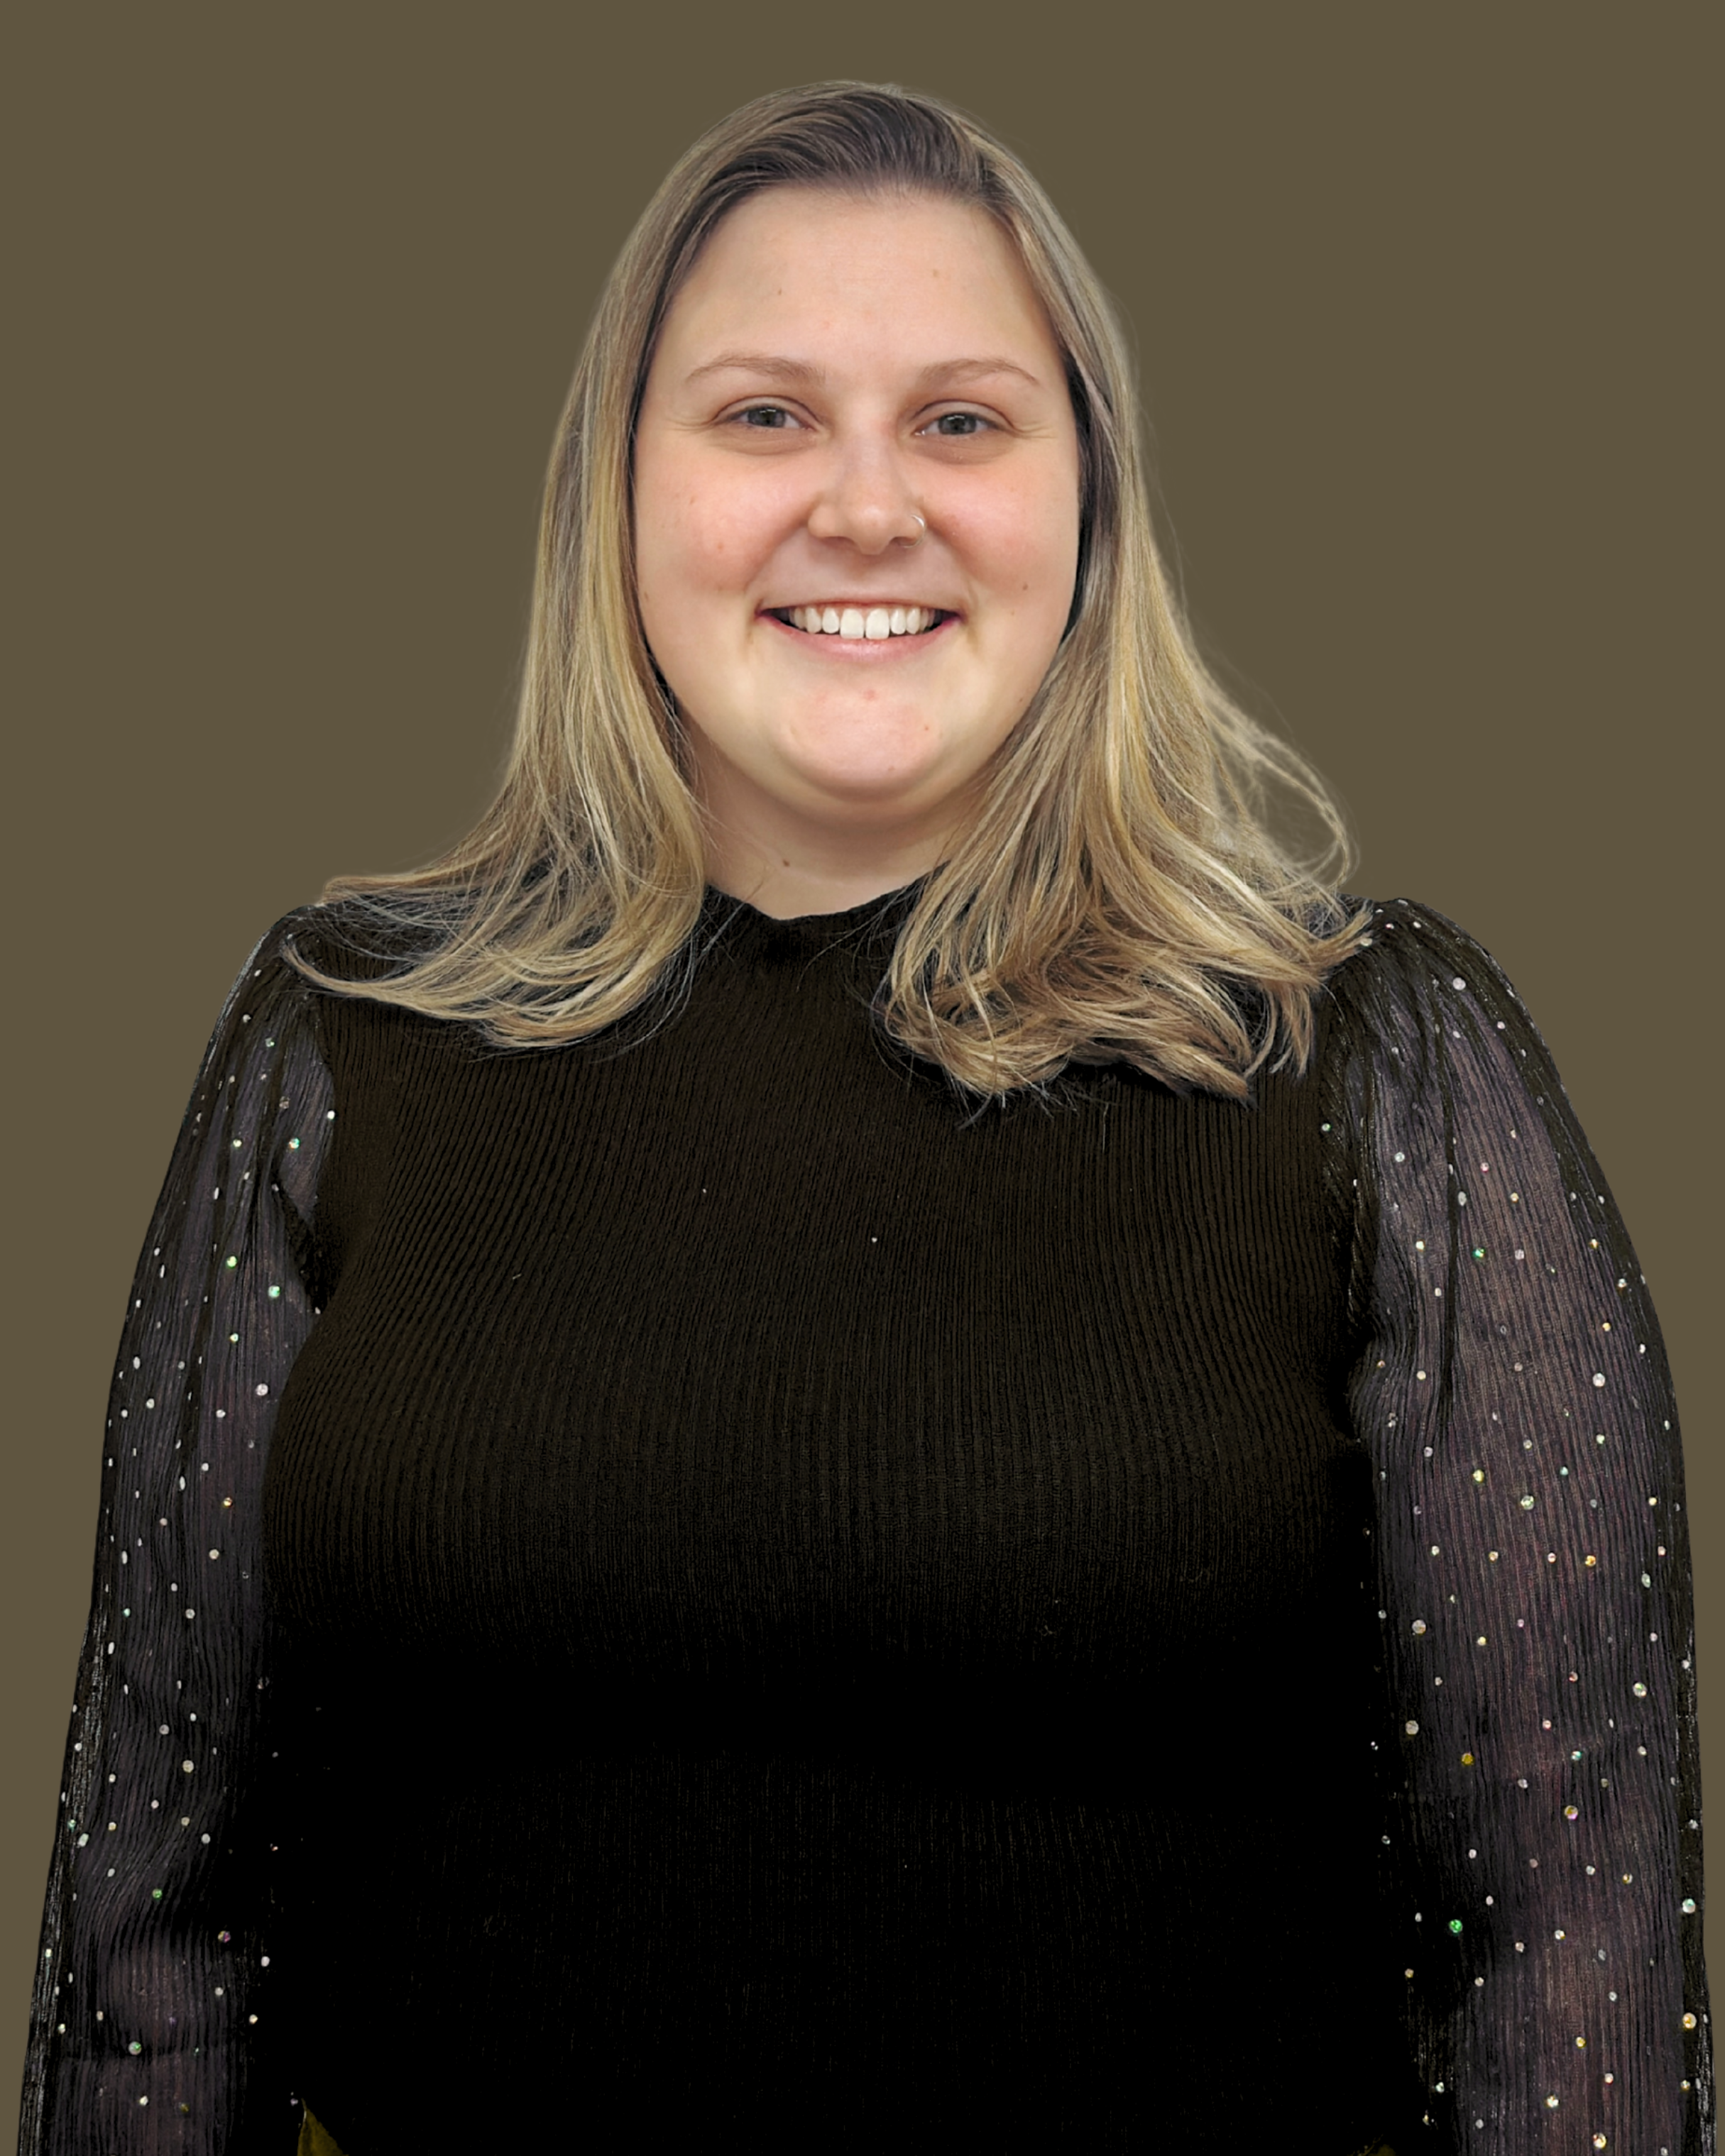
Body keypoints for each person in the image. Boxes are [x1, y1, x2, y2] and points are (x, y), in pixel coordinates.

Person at [17, 79, 1709, 2156]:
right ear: (613, 497)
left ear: (1089, 507)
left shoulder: (1369, 1061)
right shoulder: (338, 1037)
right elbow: (152, 1933)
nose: (866, 505)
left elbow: (1569, 1939)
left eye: (962, 420)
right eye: (761, 416)